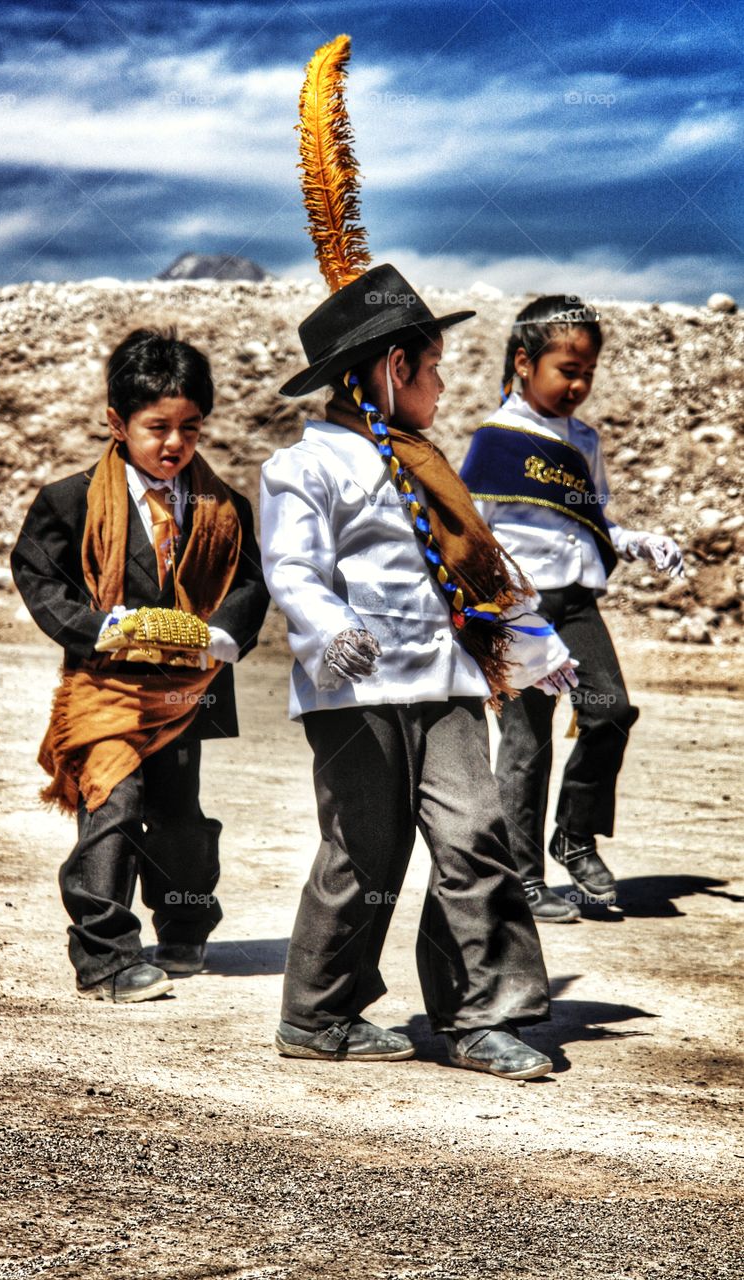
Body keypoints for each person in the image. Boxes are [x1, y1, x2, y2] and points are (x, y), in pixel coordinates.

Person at [261, 263, 579, 1079]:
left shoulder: (428, 467)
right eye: (432, 367)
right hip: (354, 693)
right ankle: (318, 1012)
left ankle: (480, 1017)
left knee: (476, 834)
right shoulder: (306, 466)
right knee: (362, 852)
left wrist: (537, 651)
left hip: (443, 688)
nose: (441, 384)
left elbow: (480, 573)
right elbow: (293, 572)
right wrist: (331, 631)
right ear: (394, 370)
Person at [11, 328, 268, 1001]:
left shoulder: (223, 507)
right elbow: (39, 578)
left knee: (180, 815)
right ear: (117, 423)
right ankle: (105, 957)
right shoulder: (68, 502)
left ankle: (183, 927)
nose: (175, 444)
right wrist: (103, 628)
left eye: (191, 427)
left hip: (191, 689)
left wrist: (224, 636)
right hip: (106, 687)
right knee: (114, 803)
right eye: (158, 427)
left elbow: (249, 584)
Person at [461, 296, 684, 923]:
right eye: (567, 369)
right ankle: (523, 878)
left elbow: (593, 520)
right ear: (525, 363)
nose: (579, 384)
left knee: (609, 708)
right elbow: (475, 534)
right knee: (527, 744)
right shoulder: (496, 441)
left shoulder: (584, 439)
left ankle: (575, 834)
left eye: (588, 372)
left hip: (578, 602)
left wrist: (635, 540)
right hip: (520, 610)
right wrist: (503, 616)